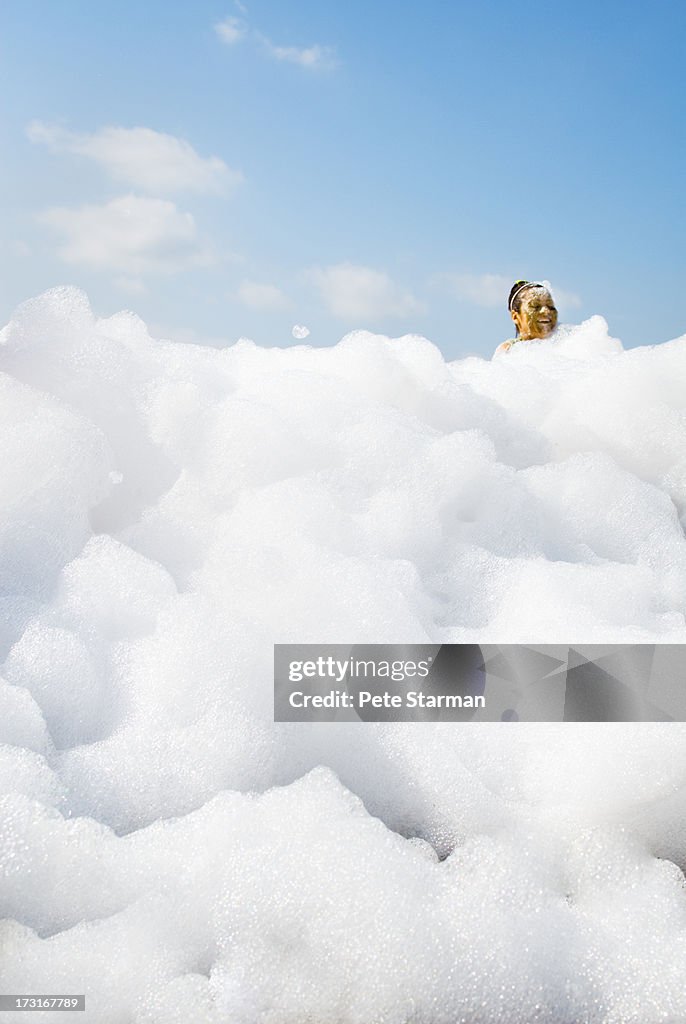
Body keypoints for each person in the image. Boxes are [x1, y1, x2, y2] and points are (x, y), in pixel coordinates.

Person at [494, 280, 558, 355]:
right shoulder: (508, 349)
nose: (546, 311)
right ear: (515, 317)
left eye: (551, 307)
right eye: (535, 306)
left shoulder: (567, 344)